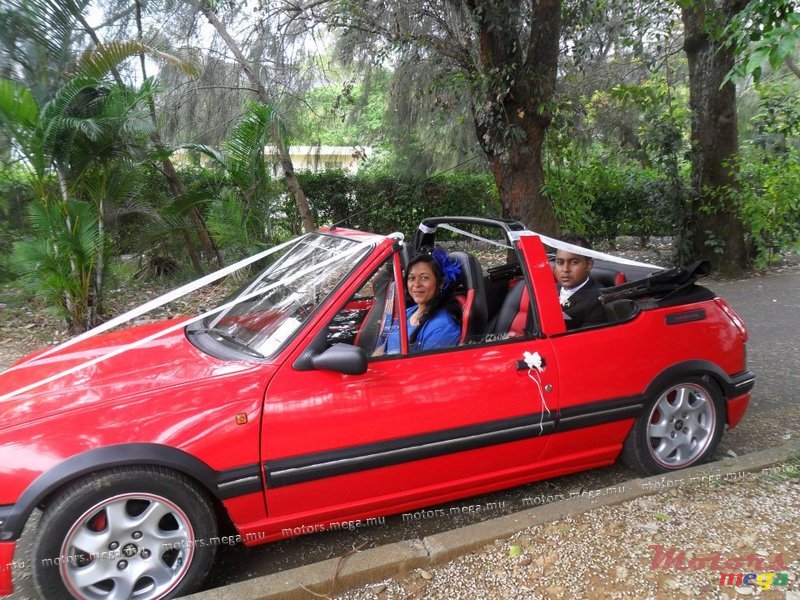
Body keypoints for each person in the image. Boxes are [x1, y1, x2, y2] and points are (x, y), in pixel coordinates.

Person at [382, 249, 462, 353]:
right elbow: (384, 348)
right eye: (412, 278)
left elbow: (426, 363)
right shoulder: (407, 313)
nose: (416, 284)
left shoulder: (443, 328)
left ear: (441, 283)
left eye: (424, 278)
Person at [554, 234, 606, 330]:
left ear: (589, 265)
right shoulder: (550, 290)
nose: (565, 269)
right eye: (560, 262)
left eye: (574, 262)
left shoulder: (597, 300)